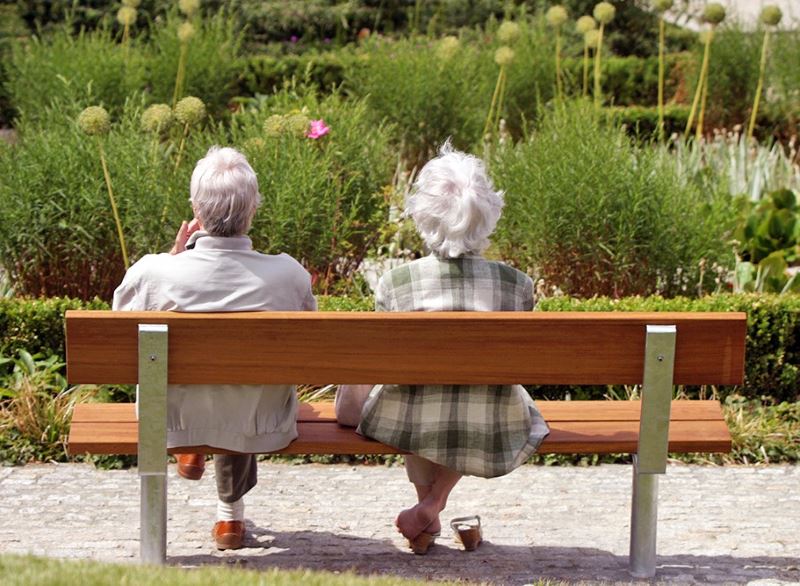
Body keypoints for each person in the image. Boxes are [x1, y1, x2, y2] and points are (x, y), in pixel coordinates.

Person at [336, 143, 549, 554]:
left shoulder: (395, 283)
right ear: (487, 213)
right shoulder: (516, 285)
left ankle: (427, 508)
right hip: (490, 416)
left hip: (410, 416)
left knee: (415, 397)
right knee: (468, 399)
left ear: (423, 214)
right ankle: (433, 505)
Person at [113, 146, 316, 550]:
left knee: (208, 390)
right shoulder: (289, 275)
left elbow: (120, 323)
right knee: (244, 389)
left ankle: (193, 446)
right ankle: (230, 519)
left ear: (196, 210)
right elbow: (308, 344)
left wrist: (173, 258)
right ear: (253, 208)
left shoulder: (153, 272)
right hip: (257, 419)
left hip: (169, 415)